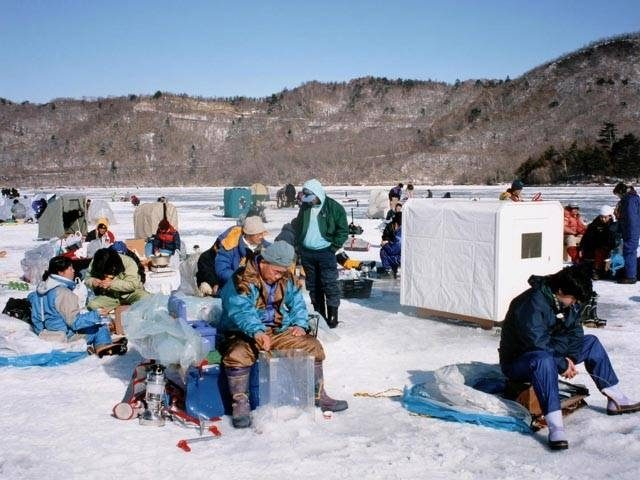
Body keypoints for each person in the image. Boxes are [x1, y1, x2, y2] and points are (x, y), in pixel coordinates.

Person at [499, 265, 640, 451]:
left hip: (550, 352)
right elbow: (536, 343)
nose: (575, 303)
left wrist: (570, 359)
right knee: (544, 359)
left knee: (590, 343)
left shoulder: (568, 300)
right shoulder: (530, 304)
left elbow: (575, 332)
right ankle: (555, 426)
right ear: (559, 291)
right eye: (573, 299)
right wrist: (561, 362)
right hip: (520, 361)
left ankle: (616, 398)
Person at [218, 241, 348, 428]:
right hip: (242, 332)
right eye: (276, 271)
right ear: (264, 263)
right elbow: (241, 311)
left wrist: (300, 324)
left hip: (277, 329)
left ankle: (318, 395)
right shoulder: (241, 280)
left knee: (312, 346)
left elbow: (297, 303)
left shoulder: (285, 277)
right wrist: (257, 332)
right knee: (237, 355)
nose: (280, 276)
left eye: (282, 272)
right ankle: (240, 405)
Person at [27, 256, 127, 357]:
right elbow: (75, 323)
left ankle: (102, 341)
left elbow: (36, 319)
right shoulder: (63, 293)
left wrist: (43, 333)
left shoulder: (39, 292)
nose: (74, 271)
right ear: (60, 272)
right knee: (100, 326)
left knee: (92, 324)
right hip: (63, 337)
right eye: (70, 268)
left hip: (45, 335)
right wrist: (96, 315)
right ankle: (103, 346)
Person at [293, 179, 348, 328]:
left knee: (329, 283)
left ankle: (332, 316)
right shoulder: (305, 207)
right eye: (307, 199)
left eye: (312, 198)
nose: (310, 202)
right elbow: (298, 225)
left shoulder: (334, 207)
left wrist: (333, 247)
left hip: (326, 252)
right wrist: (299, 245)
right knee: (313, 285)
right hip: (307, 253)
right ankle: (319, 314)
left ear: (317, 194)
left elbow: (343, 230)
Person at [211, 216, 270, 291]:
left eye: (262, 233)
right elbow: (222, 270)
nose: (261, 237)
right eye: (257, 234)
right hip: (234, 289)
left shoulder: (267, 248)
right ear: (248, 234)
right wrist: (242, 278)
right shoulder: (229, 247)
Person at [579, 205, 618, 279]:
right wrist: (581, 247)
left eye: (605, 217)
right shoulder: (595, 224)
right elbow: (586, 236)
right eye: (601, 217)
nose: (603, 219)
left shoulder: (613, 225)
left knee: (600, 253)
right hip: (595, 246)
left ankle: (598, 271)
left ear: (609, 216)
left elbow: (613, 240)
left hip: (607, 247)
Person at [613, 182, 640, 284]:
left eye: (618, 195)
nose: (619, 197)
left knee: (629, 251)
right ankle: (630, 273)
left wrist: (629, 231)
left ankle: (631, 276)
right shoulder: (632, 199)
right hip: (631, 229)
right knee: (630, 251)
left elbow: (631, 218)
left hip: (631, 230)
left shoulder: (630, 200)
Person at [380, 212, 402, 278]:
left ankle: (389, 270)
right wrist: (387, 241)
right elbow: (385, 236)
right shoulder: (390, 226)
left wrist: (385, 245)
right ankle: (394, 268)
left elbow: (393, 249)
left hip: (400, 255)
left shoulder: (400, 232)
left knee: (383, 252)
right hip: (394, 246)